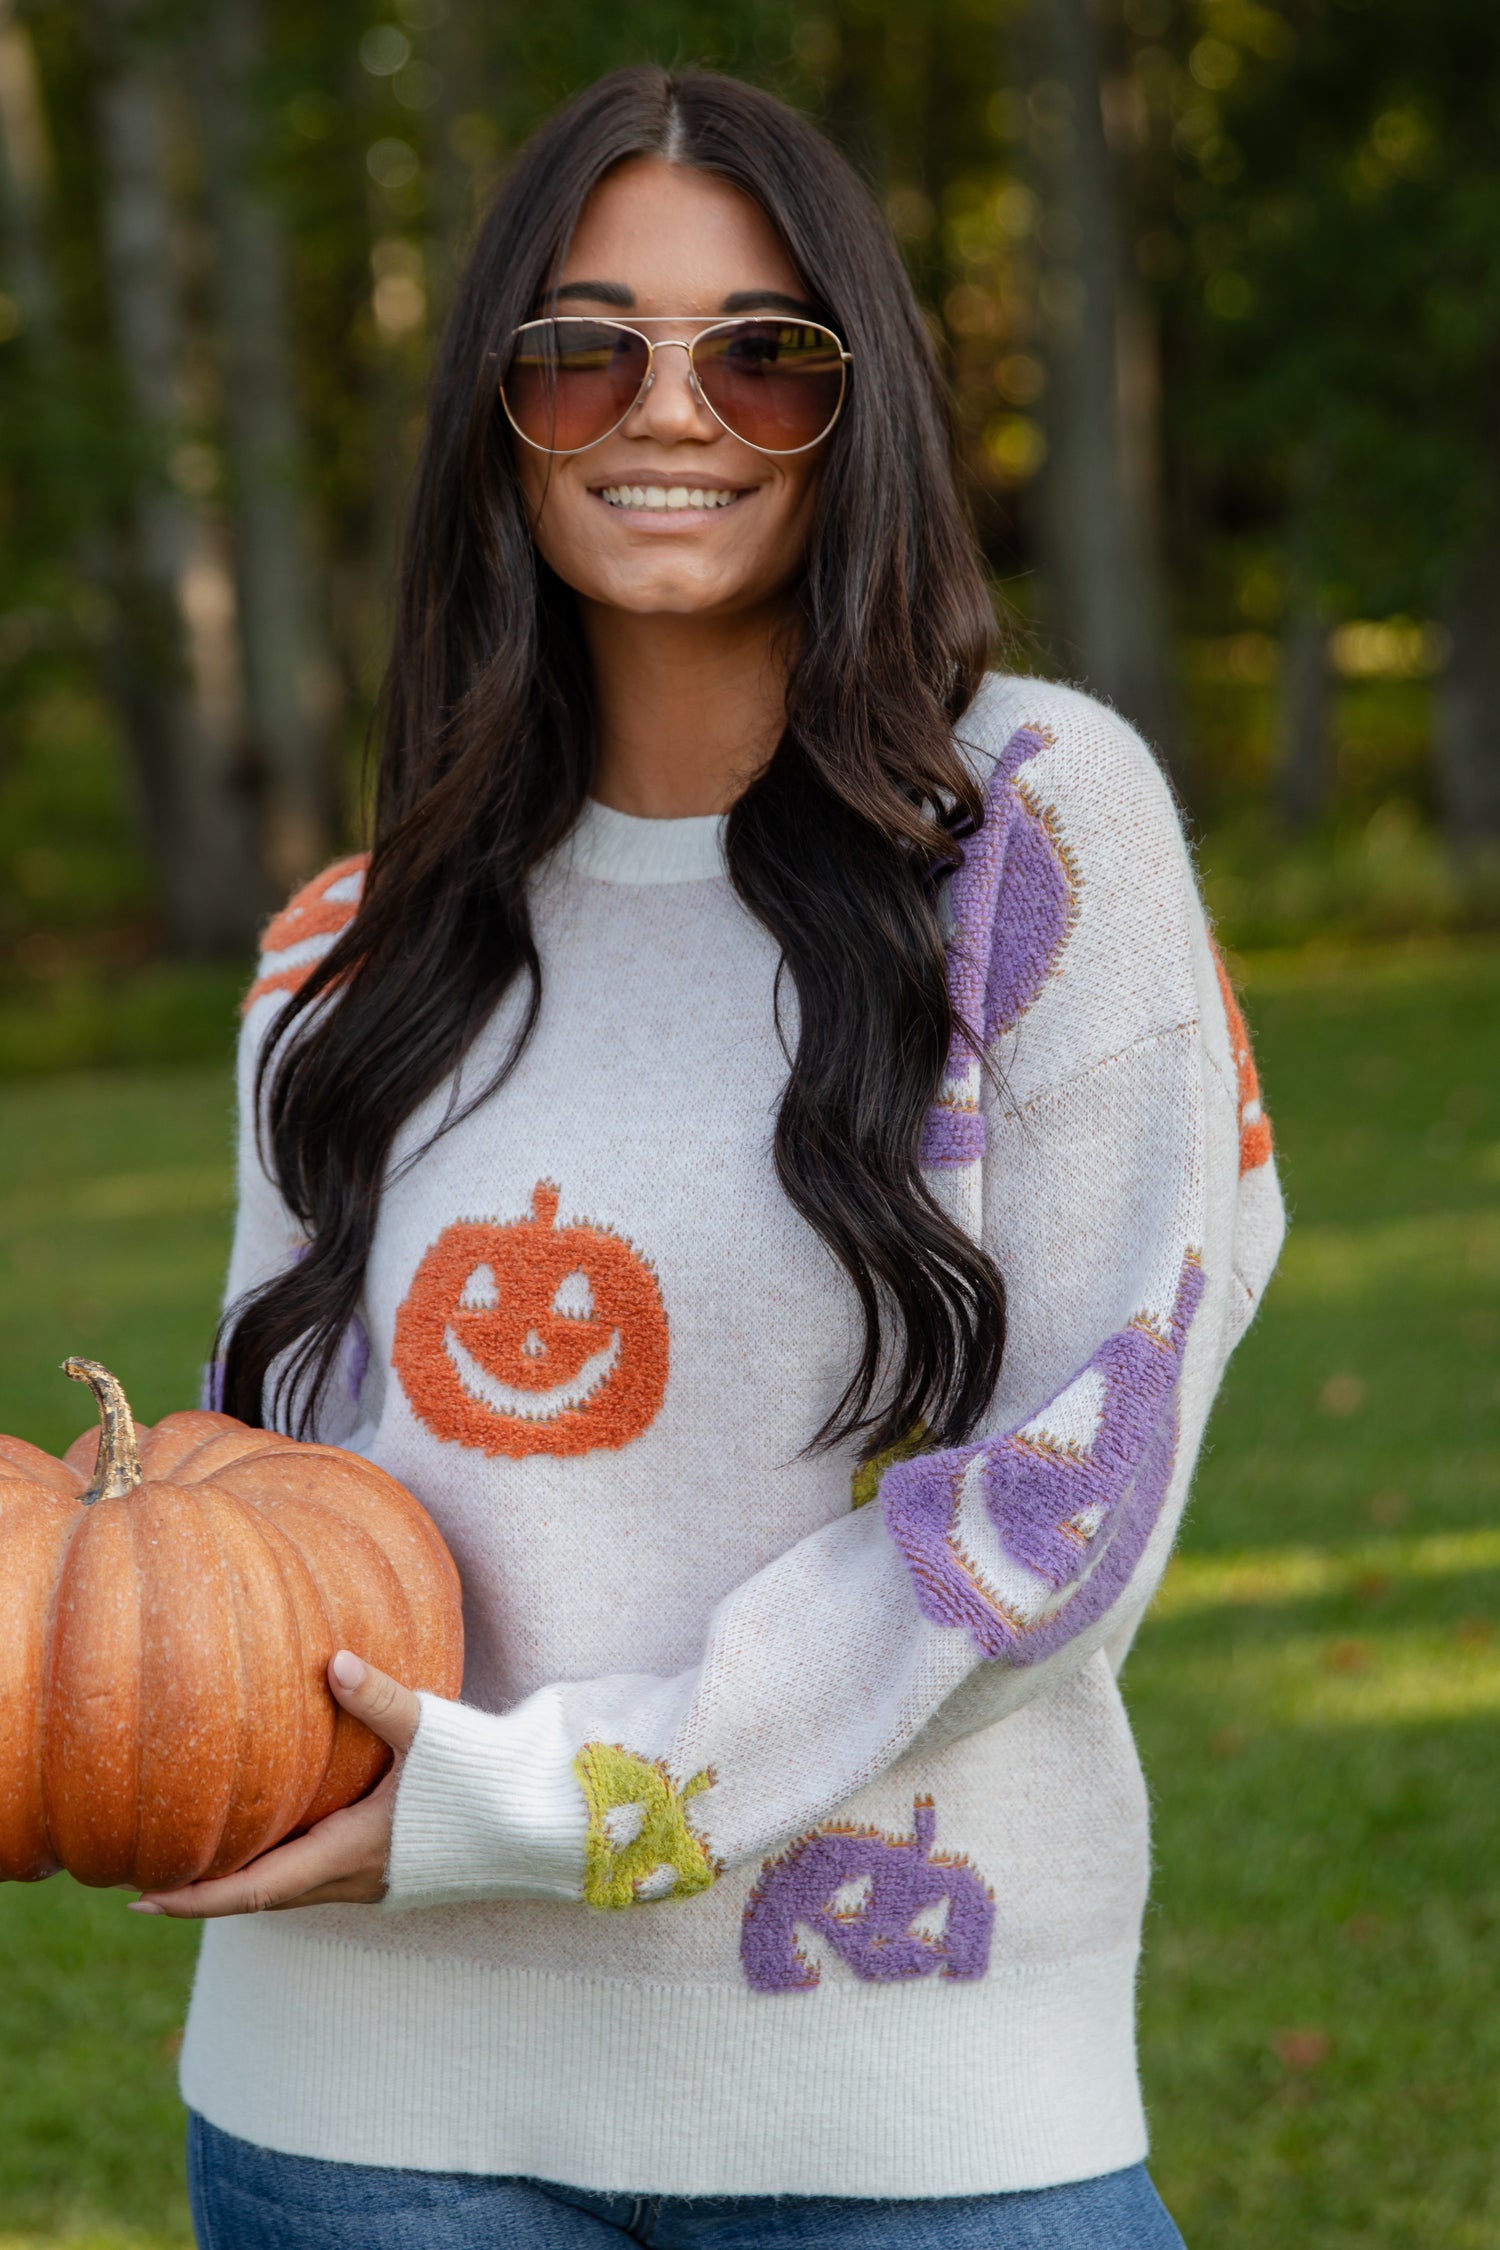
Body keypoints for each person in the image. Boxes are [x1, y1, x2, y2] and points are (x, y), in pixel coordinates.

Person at [134, 63, 1284, 2250]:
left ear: (860, 417)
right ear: (501, 414)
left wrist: (542, 1803)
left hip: (912, 2125)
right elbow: (253, 1518)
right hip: (363, 2112)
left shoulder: (1033, 840)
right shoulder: (337, 957)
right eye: (587, 352)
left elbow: (1074, 1489)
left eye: (764, 352)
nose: (674, 411)